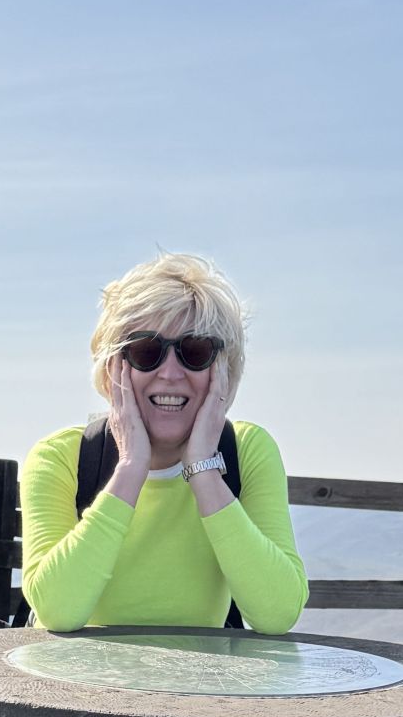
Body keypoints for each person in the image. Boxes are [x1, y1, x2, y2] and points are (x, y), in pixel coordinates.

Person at [19, 254, 307, 634]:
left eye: (196, 352)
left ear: (224, 371)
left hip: (196, 691)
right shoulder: (60, 458)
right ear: (112, 369)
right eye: (145, 352)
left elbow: (278, 613)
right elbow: (57, 610)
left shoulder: (248, 451)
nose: (170, 373)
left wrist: (203, 470)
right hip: (74, 691)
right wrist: (130, 469)